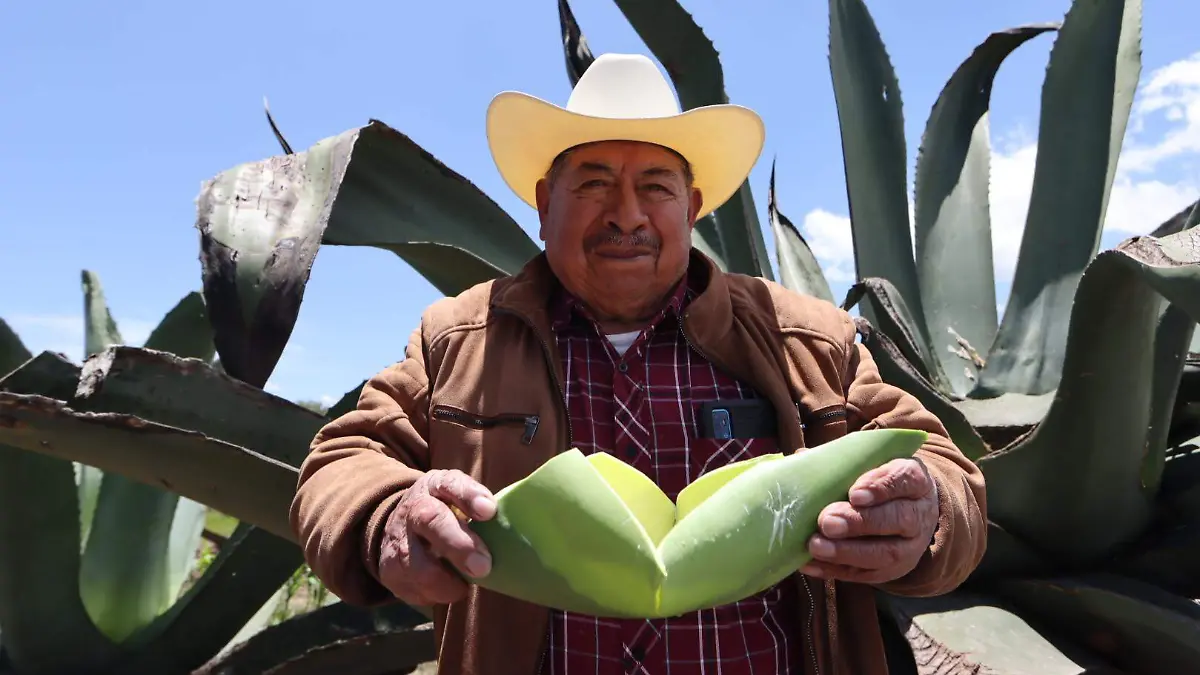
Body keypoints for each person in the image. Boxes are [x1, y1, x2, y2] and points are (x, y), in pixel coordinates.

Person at [289, 53, 987, 675]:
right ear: (543, 204)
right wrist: (388, 515)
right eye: (592, 183)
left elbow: (946, 473)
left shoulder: (808, 340)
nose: (626, 214)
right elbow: (344, 457)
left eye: (655, 186)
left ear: (693, 207)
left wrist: (924, 515)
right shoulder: (459, 339)